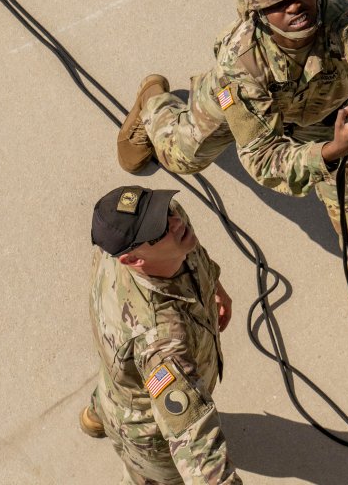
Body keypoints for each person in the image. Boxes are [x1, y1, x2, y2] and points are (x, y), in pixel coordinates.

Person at [116, 0, 348, 318]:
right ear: (256, 12)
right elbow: (261, 155)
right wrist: (331, 152)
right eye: (276, 3)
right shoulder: (239, 62)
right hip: (239, 101)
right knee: (182, 156)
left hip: (325, 116)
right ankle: (153, 103)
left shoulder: (347, 16)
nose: (294, 6)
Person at [80, 185, 241, 484]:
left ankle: (95, 416)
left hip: (120, 377)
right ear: (133, 260)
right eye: (159, 230)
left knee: (117, 387)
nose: (175, 221)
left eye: (163, 209)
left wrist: (215, 285)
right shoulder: (160, 338)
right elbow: (193, 438)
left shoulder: (154, 232)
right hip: (146, 428)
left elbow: (194, 252)